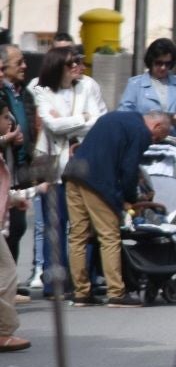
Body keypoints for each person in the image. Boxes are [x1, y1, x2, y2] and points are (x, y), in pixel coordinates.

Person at [62, 111, 172, 307]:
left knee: (78, 236)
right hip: (97, 181)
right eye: (157, 137)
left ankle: (81, 292)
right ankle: (116, 293)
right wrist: (129, 199)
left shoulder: (115, 117)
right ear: (156, 126)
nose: (153, 142)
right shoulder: (141, 131)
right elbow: (129, 169)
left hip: (74, 173)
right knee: (109, 236)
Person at [33, 46, 107, 295]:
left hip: (82, 162)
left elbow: (98, 121)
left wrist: (69, 122)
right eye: (70, 63)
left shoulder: (88, 85)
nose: (77, 66)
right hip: (54, 165)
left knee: (83, 224)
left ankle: (82, 280)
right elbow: (51, 125)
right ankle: (54, 282)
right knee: (54, 224)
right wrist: (81, 118)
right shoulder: (42, 90)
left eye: (78, 60)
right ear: (57, 67)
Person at [0, 45, 35, 273]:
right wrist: (8, 138)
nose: (24, 66)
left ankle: (9, 283)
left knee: (16, 226)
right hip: (5, 167)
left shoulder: (20, 93)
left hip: (17, 167)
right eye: (18, 62)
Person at [119, 38, 176, 136]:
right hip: (144, 139)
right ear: (151, 61)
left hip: (174, 140)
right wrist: (147, 121)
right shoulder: (135, 84)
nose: (163, 67)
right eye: (159, 63)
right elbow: (123, 116)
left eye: (167, 64)